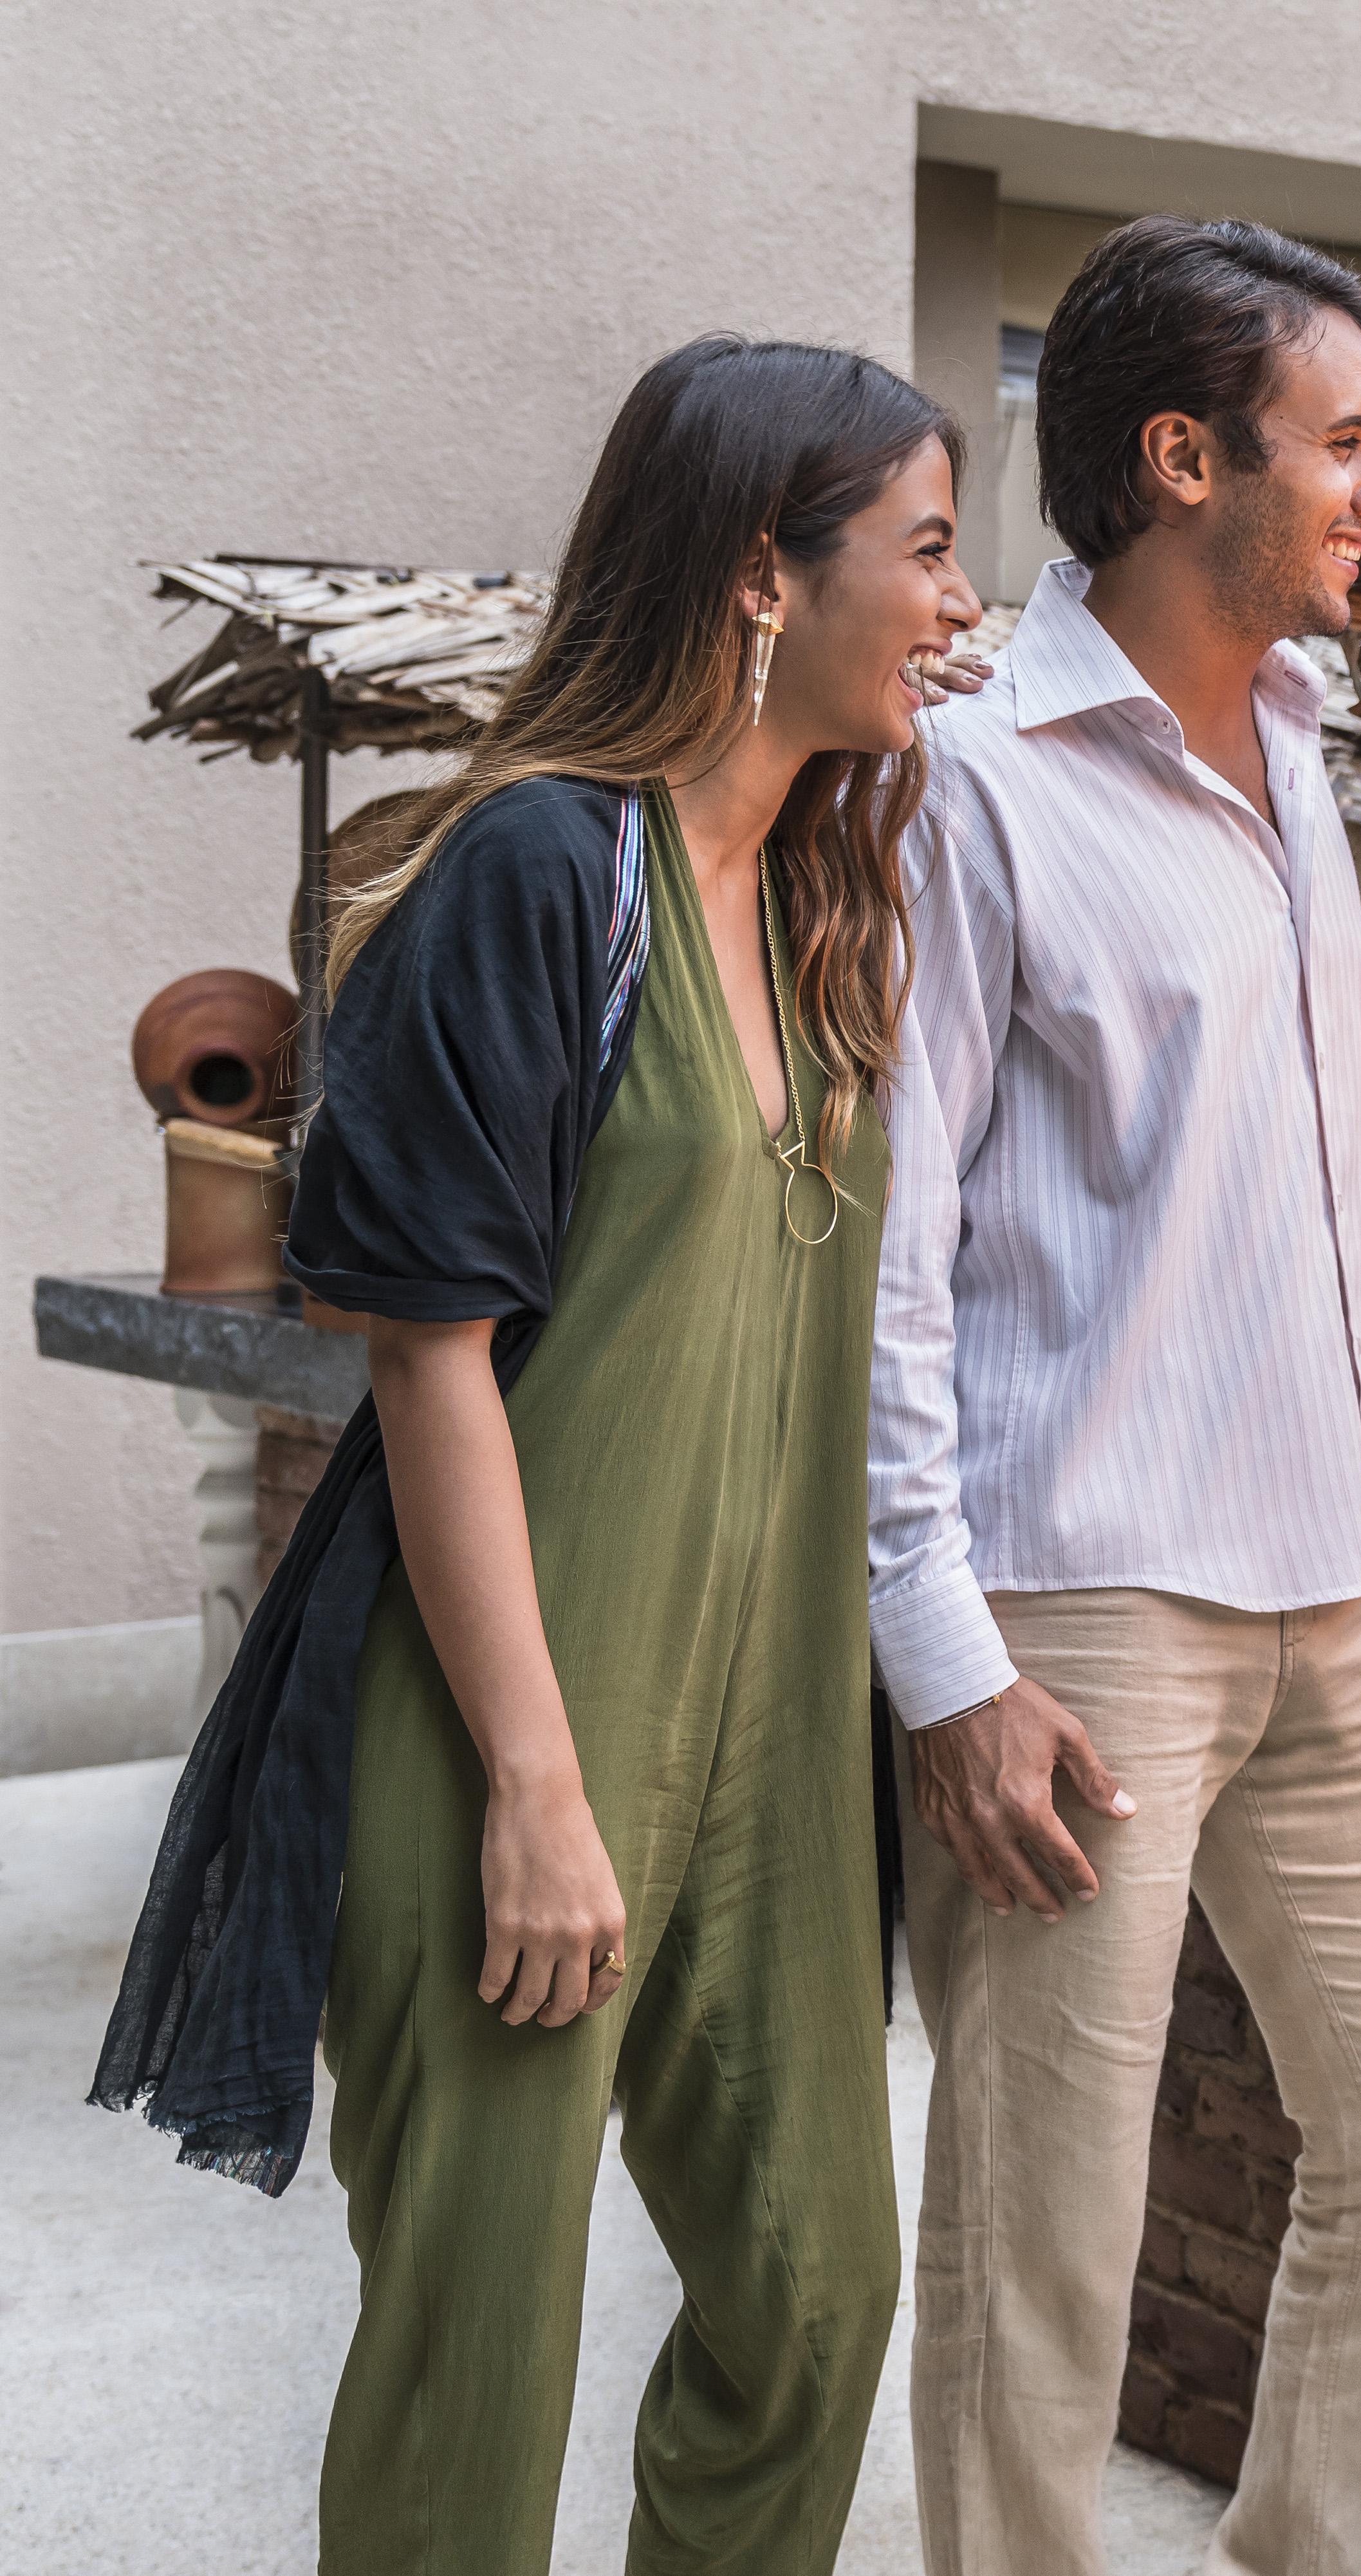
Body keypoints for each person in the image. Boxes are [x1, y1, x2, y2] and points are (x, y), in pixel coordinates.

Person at [92, 337, 983, 2572]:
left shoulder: (823, 900)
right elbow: (428, 1361)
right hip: (511, 1749)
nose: (963, 604)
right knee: (470, 2388)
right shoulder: (530, 876)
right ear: (762, 581)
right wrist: (538, 1789)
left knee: (816, 2305)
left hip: (774, 1766)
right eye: (933, 549)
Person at [868, 215, 1361, 2576]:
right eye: (1349, 440)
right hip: (1080, 1601)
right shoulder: (976, 794)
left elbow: (1286, 1070)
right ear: (1181, 458)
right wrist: (946, 1661)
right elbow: (885, 1263)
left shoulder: (1293, 749)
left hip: (1338, 1564)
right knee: (1046, 2243)